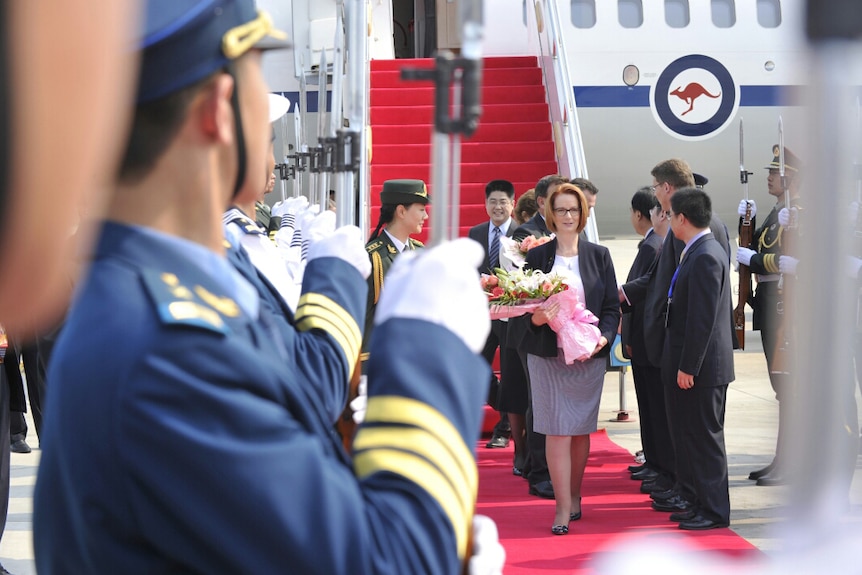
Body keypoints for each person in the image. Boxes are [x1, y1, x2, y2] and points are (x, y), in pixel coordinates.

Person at [32, 3, 499, 573]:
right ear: (218, 111)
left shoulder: (171, 299)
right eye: (261, 87)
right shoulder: (170, 348)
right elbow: (382, 564)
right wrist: (428, 353)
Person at [620, 159, 732, 509]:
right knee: (685, 433)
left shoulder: (701, 238)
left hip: (696, 355)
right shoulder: (690, 234)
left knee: (700, 437)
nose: (654, 195)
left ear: (667, 189)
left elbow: (701, 309)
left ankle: (706, 505)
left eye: (655, 187)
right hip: (678, 347)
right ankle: (688, 493)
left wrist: (687, 362)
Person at [509, 183, 619, 535]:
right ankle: (560, 508)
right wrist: (537, 318)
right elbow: (521, 303)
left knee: (580, 431)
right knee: (556, 431)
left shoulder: (599, 255)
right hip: (547, 354)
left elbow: (612, 308)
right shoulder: (539, 256)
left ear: (582, 214)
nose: (568, 216)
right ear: (551, 216)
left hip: (587, 354)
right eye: (561, 211)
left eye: (574, 210)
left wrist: (603, 338)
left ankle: (575, 494)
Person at [663, 188, 734, 530]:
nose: (668, 219)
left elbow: (702, 319)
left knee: (705, 440)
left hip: (703, 369)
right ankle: (699, 502)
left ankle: (715, 511)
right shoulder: (699, 250)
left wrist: (688, 366)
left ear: (683, 219)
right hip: (699, 366)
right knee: (693, 436)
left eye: (671, 214)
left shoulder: (705, 255)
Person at [735, 145, 801, 486]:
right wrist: (747, 221)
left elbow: (784, 259)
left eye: (775, 173)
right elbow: (756, 246)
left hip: (783, 305)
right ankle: (783, 458)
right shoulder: (779, 212)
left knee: (788, 386)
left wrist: (755, 262)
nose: (769, 178)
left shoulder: (796, 212)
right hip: (770, 302)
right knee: (781, 388)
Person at [509, 174, 568, 500]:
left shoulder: (566, 232)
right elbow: (528, 285)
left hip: (563, 329)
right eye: (558, 202)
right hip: (534, 331)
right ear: (543, 202)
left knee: (556, 402)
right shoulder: (526, 234)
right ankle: (538, 470)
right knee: (539, 402)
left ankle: (551, 467)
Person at [621, 187, 673, 486]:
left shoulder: (652, 246)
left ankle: (658, 464)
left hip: (647, 341)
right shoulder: (653, 244)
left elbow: (640, 299)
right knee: (649, 407)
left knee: (654, 408)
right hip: (641, 340)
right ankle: (654, 461)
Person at [468, 180, 520, 457]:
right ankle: (507, 410)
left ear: (512, 203)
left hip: (511, 314)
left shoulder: (520, 234)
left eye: (503, 201)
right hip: (482, 315)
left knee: (511, 371)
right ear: (486, 204)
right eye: (492, 201)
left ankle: (503, 430)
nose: (497, 206)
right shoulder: (475, 232)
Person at [361, 179, 429, 367]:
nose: (426, 216)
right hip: (381, 361)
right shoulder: (372, 258)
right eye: (421, 209)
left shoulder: (420, 252)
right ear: (401, 211)